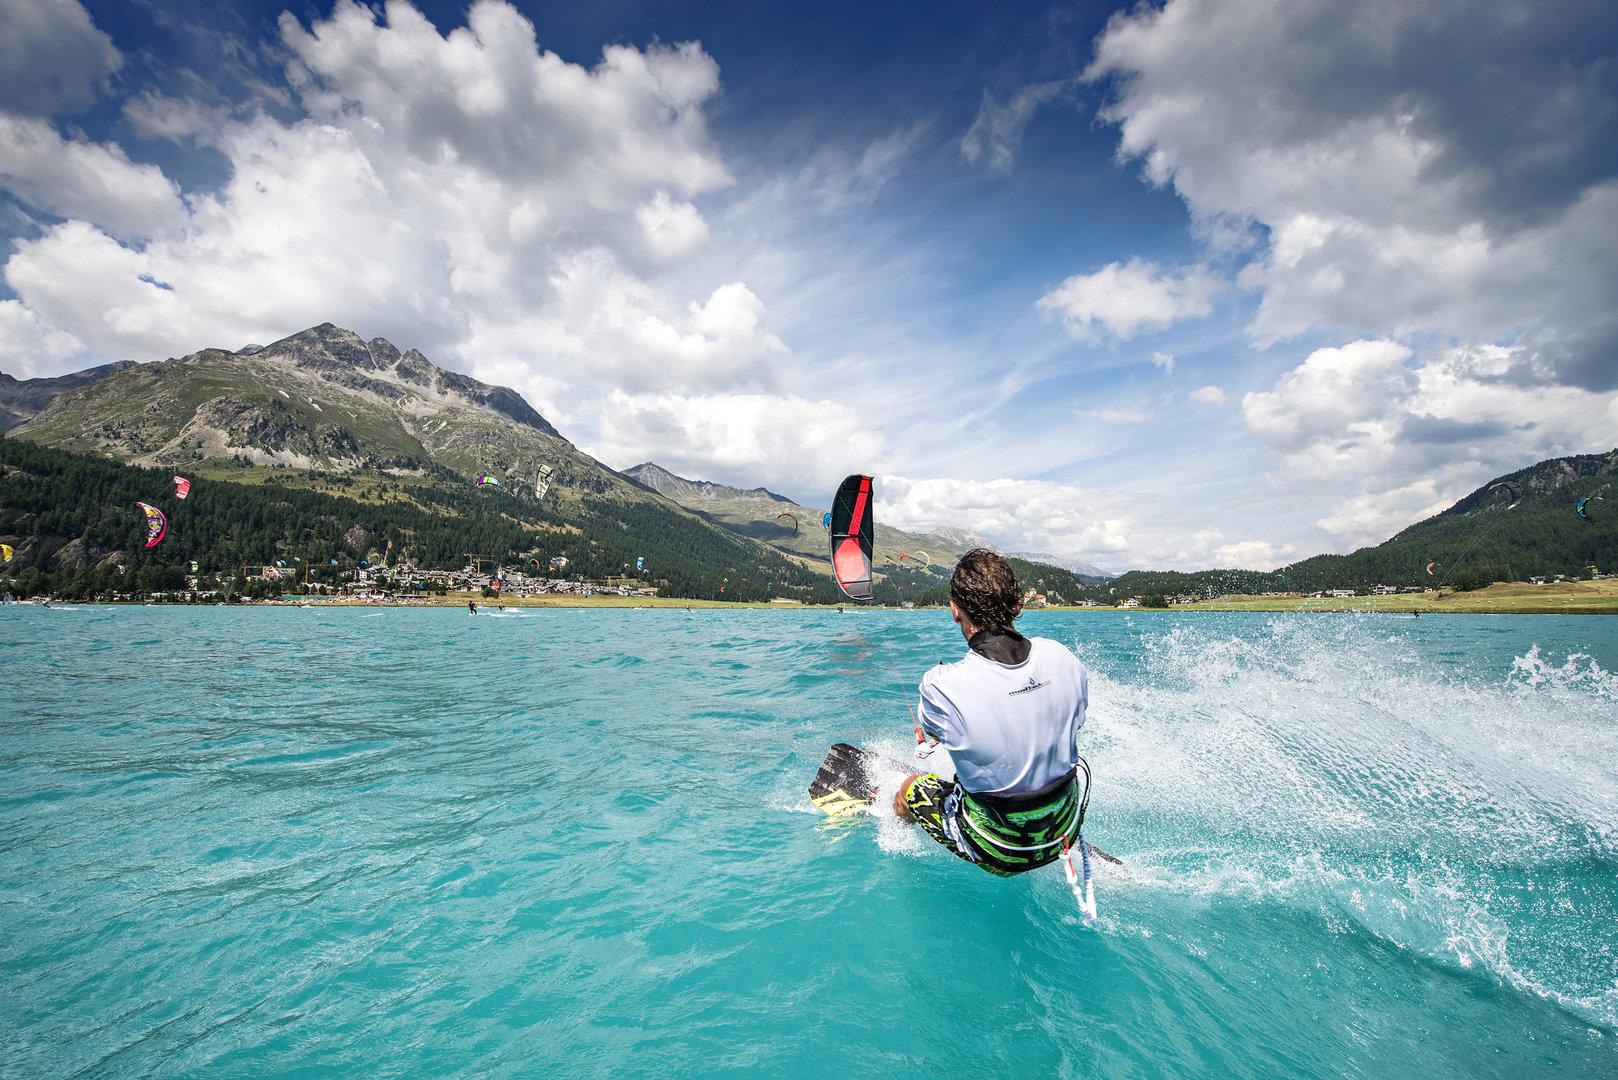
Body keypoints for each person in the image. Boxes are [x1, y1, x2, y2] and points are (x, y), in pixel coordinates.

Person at [895, 549, 1090, 876]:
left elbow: (934, 734)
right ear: (1017, 604)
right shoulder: (1063, 657)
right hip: (1065, 826)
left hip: (996, 849)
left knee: (909, 788)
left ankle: (897, 843)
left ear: (955, 610)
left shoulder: (941, 684)